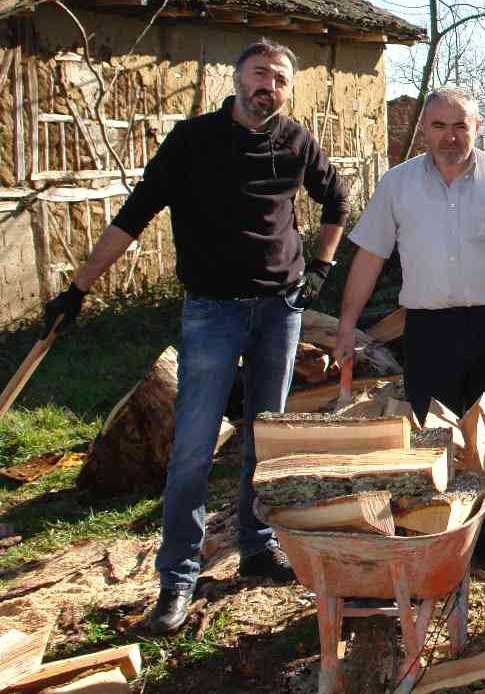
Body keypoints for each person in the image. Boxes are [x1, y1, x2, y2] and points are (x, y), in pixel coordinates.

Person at [40, 39, 348, 634]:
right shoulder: (193, 141)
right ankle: (177, 578)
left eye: (281, 80)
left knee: (268, 436)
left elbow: (335, 200)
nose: (270, 87)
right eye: (261, 74)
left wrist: (322, 268)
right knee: (192, 450)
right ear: (235, 79)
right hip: (211, 312)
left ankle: (258, 547)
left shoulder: (297, 142)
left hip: (279, 311)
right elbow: (135, 215)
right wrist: (79, 289)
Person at [334, 87, 485, 581]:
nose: (451, 137)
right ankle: (436, 540)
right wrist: (346, 324)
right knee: (430, 440)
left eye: (461, 126)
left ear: (477, 127)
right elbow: (369, 257)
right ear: (424, 130)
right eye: (440, 126)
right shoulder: (398, 185)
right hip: (426, 328)